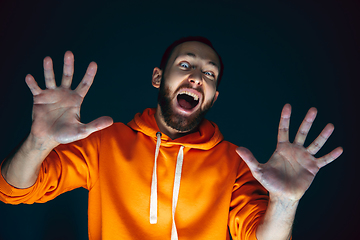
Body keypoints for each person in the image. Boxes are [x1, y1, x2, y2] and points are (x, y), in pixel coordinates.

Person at [0, 36, 343, 240]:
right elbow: (14, 191)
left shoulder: (234, 165)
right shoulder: (106, 143)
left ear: (213, 97)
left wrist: (286, 202)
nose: (197, 77)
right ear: (157, 78)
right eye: (186, 65)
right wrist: (39, 142)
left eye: (209, 74)